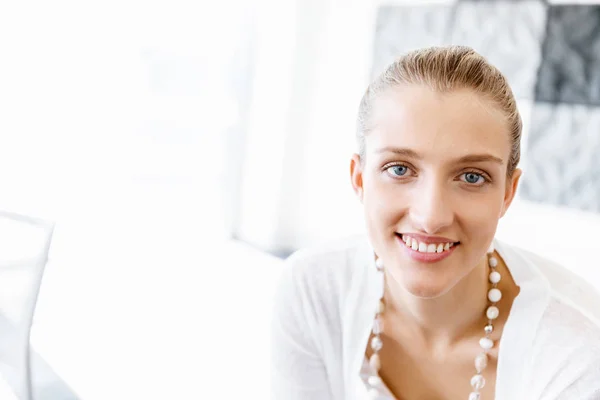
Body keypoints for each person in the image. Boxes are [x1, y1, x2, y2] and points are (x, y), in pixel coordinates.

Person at [270, 46, 600, 400]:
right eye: (399, 169)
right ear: (360, 179)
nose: (430, 218)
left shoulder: (577, 355)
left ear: (507, 193)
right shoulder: (312, 291)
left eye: (471, 177)